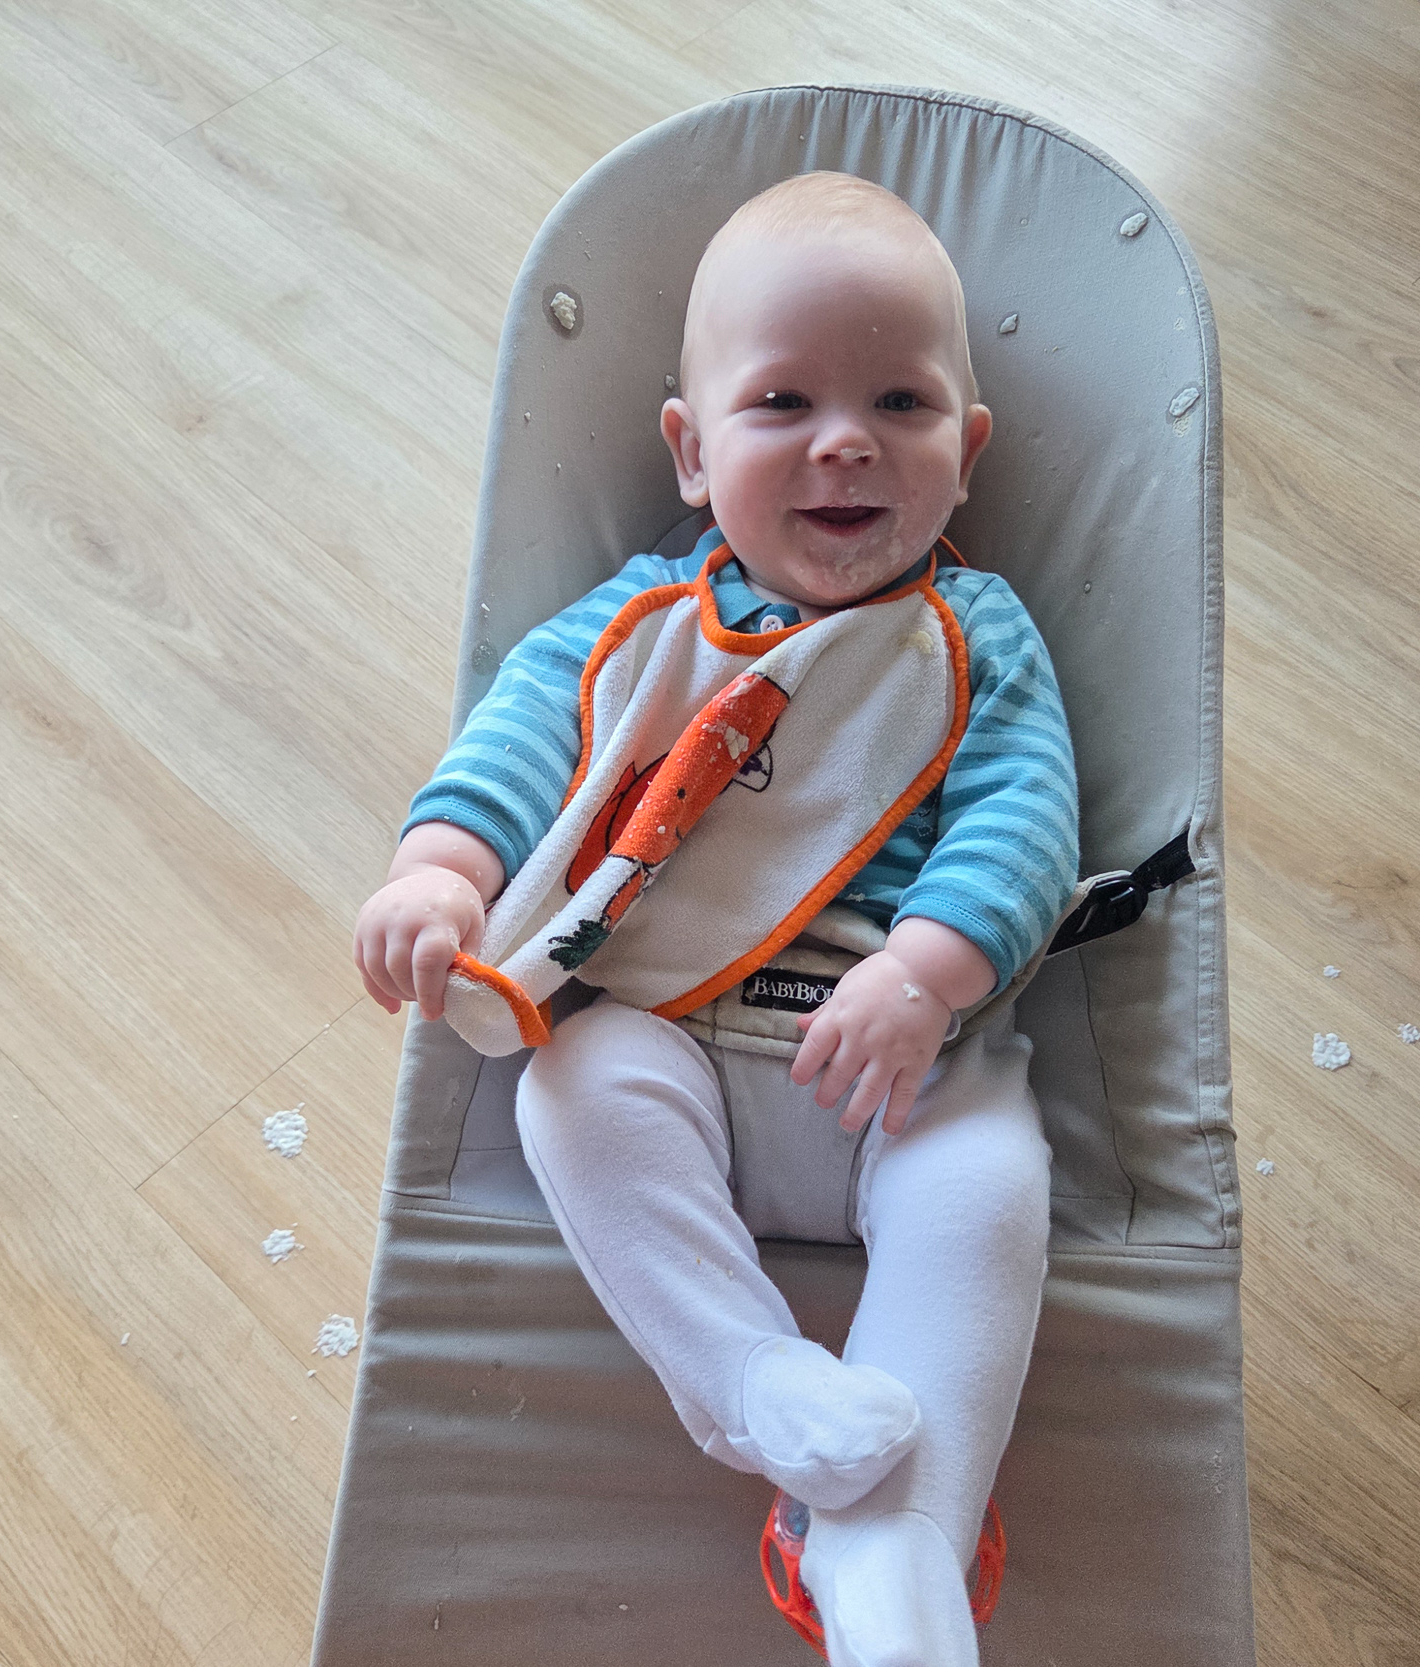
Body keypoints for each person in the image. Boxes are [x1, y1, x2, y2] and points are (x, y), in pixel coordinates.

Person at [353, 170, 1080, 1667]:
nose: (844, 440)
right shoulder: (639, 626)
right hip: (674, 1035)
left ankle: (895, 1550)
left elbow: (1024, 819)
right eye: (782, 403)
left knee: (992, 1187)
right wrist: (440, 874)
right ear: (691, 454)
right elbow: (519, 749)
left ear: (965, 454)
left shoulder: (969, 638)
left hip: (898, 1063)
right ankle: (755, 1382)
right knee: (570, 1086)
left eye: (899, 403)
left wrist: (928, 976)